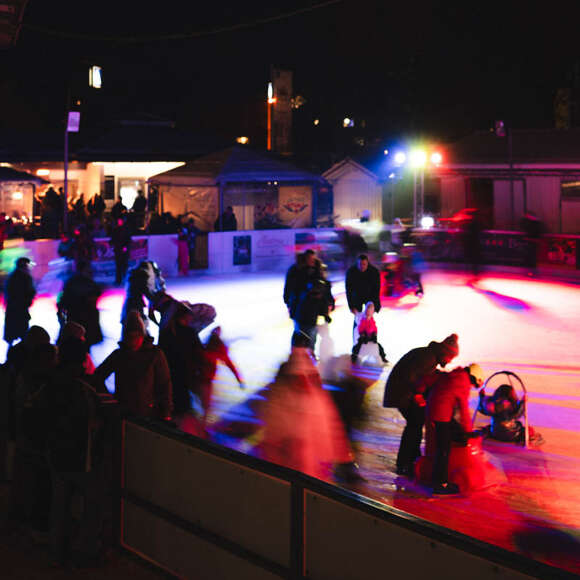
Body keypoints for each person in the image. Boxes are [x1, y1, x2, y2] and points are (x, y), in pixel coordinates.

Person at [382, 333, 459, 477]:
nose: (449, 361)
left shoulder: (429, 355)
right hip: (402, 393)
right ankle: (405, 463)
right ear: (445, 352)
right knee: (415, 423)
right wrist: (417, 395)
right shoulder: (428, 357)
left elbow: (422, 375)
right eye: (450, 358)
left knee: (416, 422)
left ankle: (411, 458)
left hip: (403, 392)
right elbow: (411, 375)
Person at [92, 311, 173, 421]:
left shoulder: (155, 355)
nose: (133, 341)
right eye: (130, 337)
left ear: (142, 336)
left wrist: (165, 412)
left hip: (148, 414)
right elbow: (97, 376)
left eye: (136, 336)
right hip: (125, 413)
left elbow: (164, 384)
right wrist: (110, 399)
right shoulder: (119, 355)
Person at [425, 363, 484, 495]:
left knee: (444, 442)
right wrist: (468, 432)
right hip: (440, 414)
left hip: (435, 410)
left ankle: (438, 478)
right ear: (474, 377)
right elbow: (463, 408)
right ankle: (440, 484)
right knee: (443, 449)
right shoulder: (463, 381)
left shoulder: (455, 375)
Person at [283, 249, 332, 352]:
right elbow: (289, 288)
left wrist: (328, 304)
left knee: (311, 333)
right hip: (299, 307)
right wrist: (288, 302)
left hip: (313, 309)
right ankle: (297, 355)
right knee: (300, 333)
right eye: (309, 259)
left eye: (313, 259)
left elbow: (325, 288)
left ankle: (310, 355)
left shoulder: (318, 270)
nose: (311, 261)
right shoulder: (296, 270)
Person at [197, 327, 244, 431]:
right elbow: (229, 364)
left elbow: (229, 364)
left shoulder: (207, 348)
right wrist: (239, 379)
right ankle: (200, 427)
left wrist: (239, 379)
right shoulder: (211, 349)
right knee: (205, 406)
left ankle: (201, 426)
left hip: (203, 379)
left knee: (205, 406)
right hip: (203, 379)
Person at [477, 384, 543, 445]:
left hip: (495, 432)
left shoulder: (491, 404)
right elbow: (517, 414)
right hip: (511, 435)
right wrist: (523, 403)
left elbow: (481, 409)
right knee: (528, 430)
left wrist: (481, 396)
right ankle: (523, 439)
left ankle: (489, 433)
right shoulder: (509, 405)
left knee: (491, 427)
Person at [57, 262, 103, 348]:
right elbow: (96, 294)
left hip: (74, 318)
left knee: (72, 345)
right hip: (87, 321)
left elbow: (63, 300)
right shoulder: (89, 283)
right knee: (85, 345)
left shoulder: (71, 282)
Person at [345, 254, 381, 342]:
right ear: (357, 264)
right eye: (360, 264)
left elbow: (376, 289)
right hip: (357, 296)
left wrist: (375, 305)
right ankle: (356, 340)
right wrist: (351, 306)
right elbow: (348, 290)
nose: (362, 267)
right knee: (358, 319)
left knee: (369, 318)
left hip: (370, 295)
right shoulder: (351, 272)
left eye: (364, 264)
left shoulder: (374, 272)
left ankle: (371, 337)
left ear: (367, 264)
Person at [3, 257, 36, 347]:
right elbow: (31, 292)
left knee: (11, 335)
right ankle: (23, 356)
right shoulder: (26, 278)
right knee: (23, 334)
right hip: (21, 310)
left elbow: (7, 293)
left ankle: (11, 356)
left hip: (12, 310)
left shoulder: (11, 277)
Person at [111, 215, 132, 286]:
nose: (119, 222)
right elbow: (113, 239)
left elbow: (128, 239)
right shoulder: (115, 230)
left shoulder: (126, 230)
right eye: (118, 221)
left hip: (124, 250)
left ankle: (125, 279)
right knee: (118, 265)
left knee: (124, 265)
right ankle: (118, 280)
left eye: (120, 220)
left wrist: (126, 246)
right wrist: (112, 245)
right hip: (117, 249)